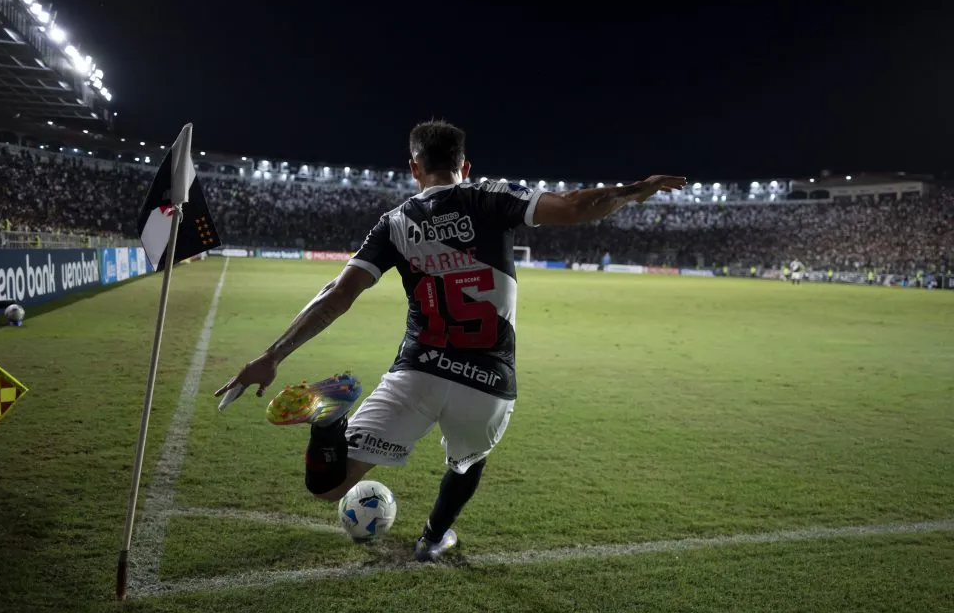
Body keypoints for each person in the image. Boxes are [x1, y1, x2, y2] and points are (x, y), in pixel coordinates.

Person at [216, 121, 684, 560]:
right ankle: (433, 538)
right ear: (466, 166)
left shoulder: (394, 223)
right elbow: (577, 205)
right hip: (486, 382)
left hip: (416, 372)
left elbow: (337, 296)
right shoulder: (490, 197)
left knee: (328, 485)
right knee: (468, 461)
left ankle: (327, 423)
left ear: (414, 168)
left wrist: (272, 355)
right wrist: (635, 190)